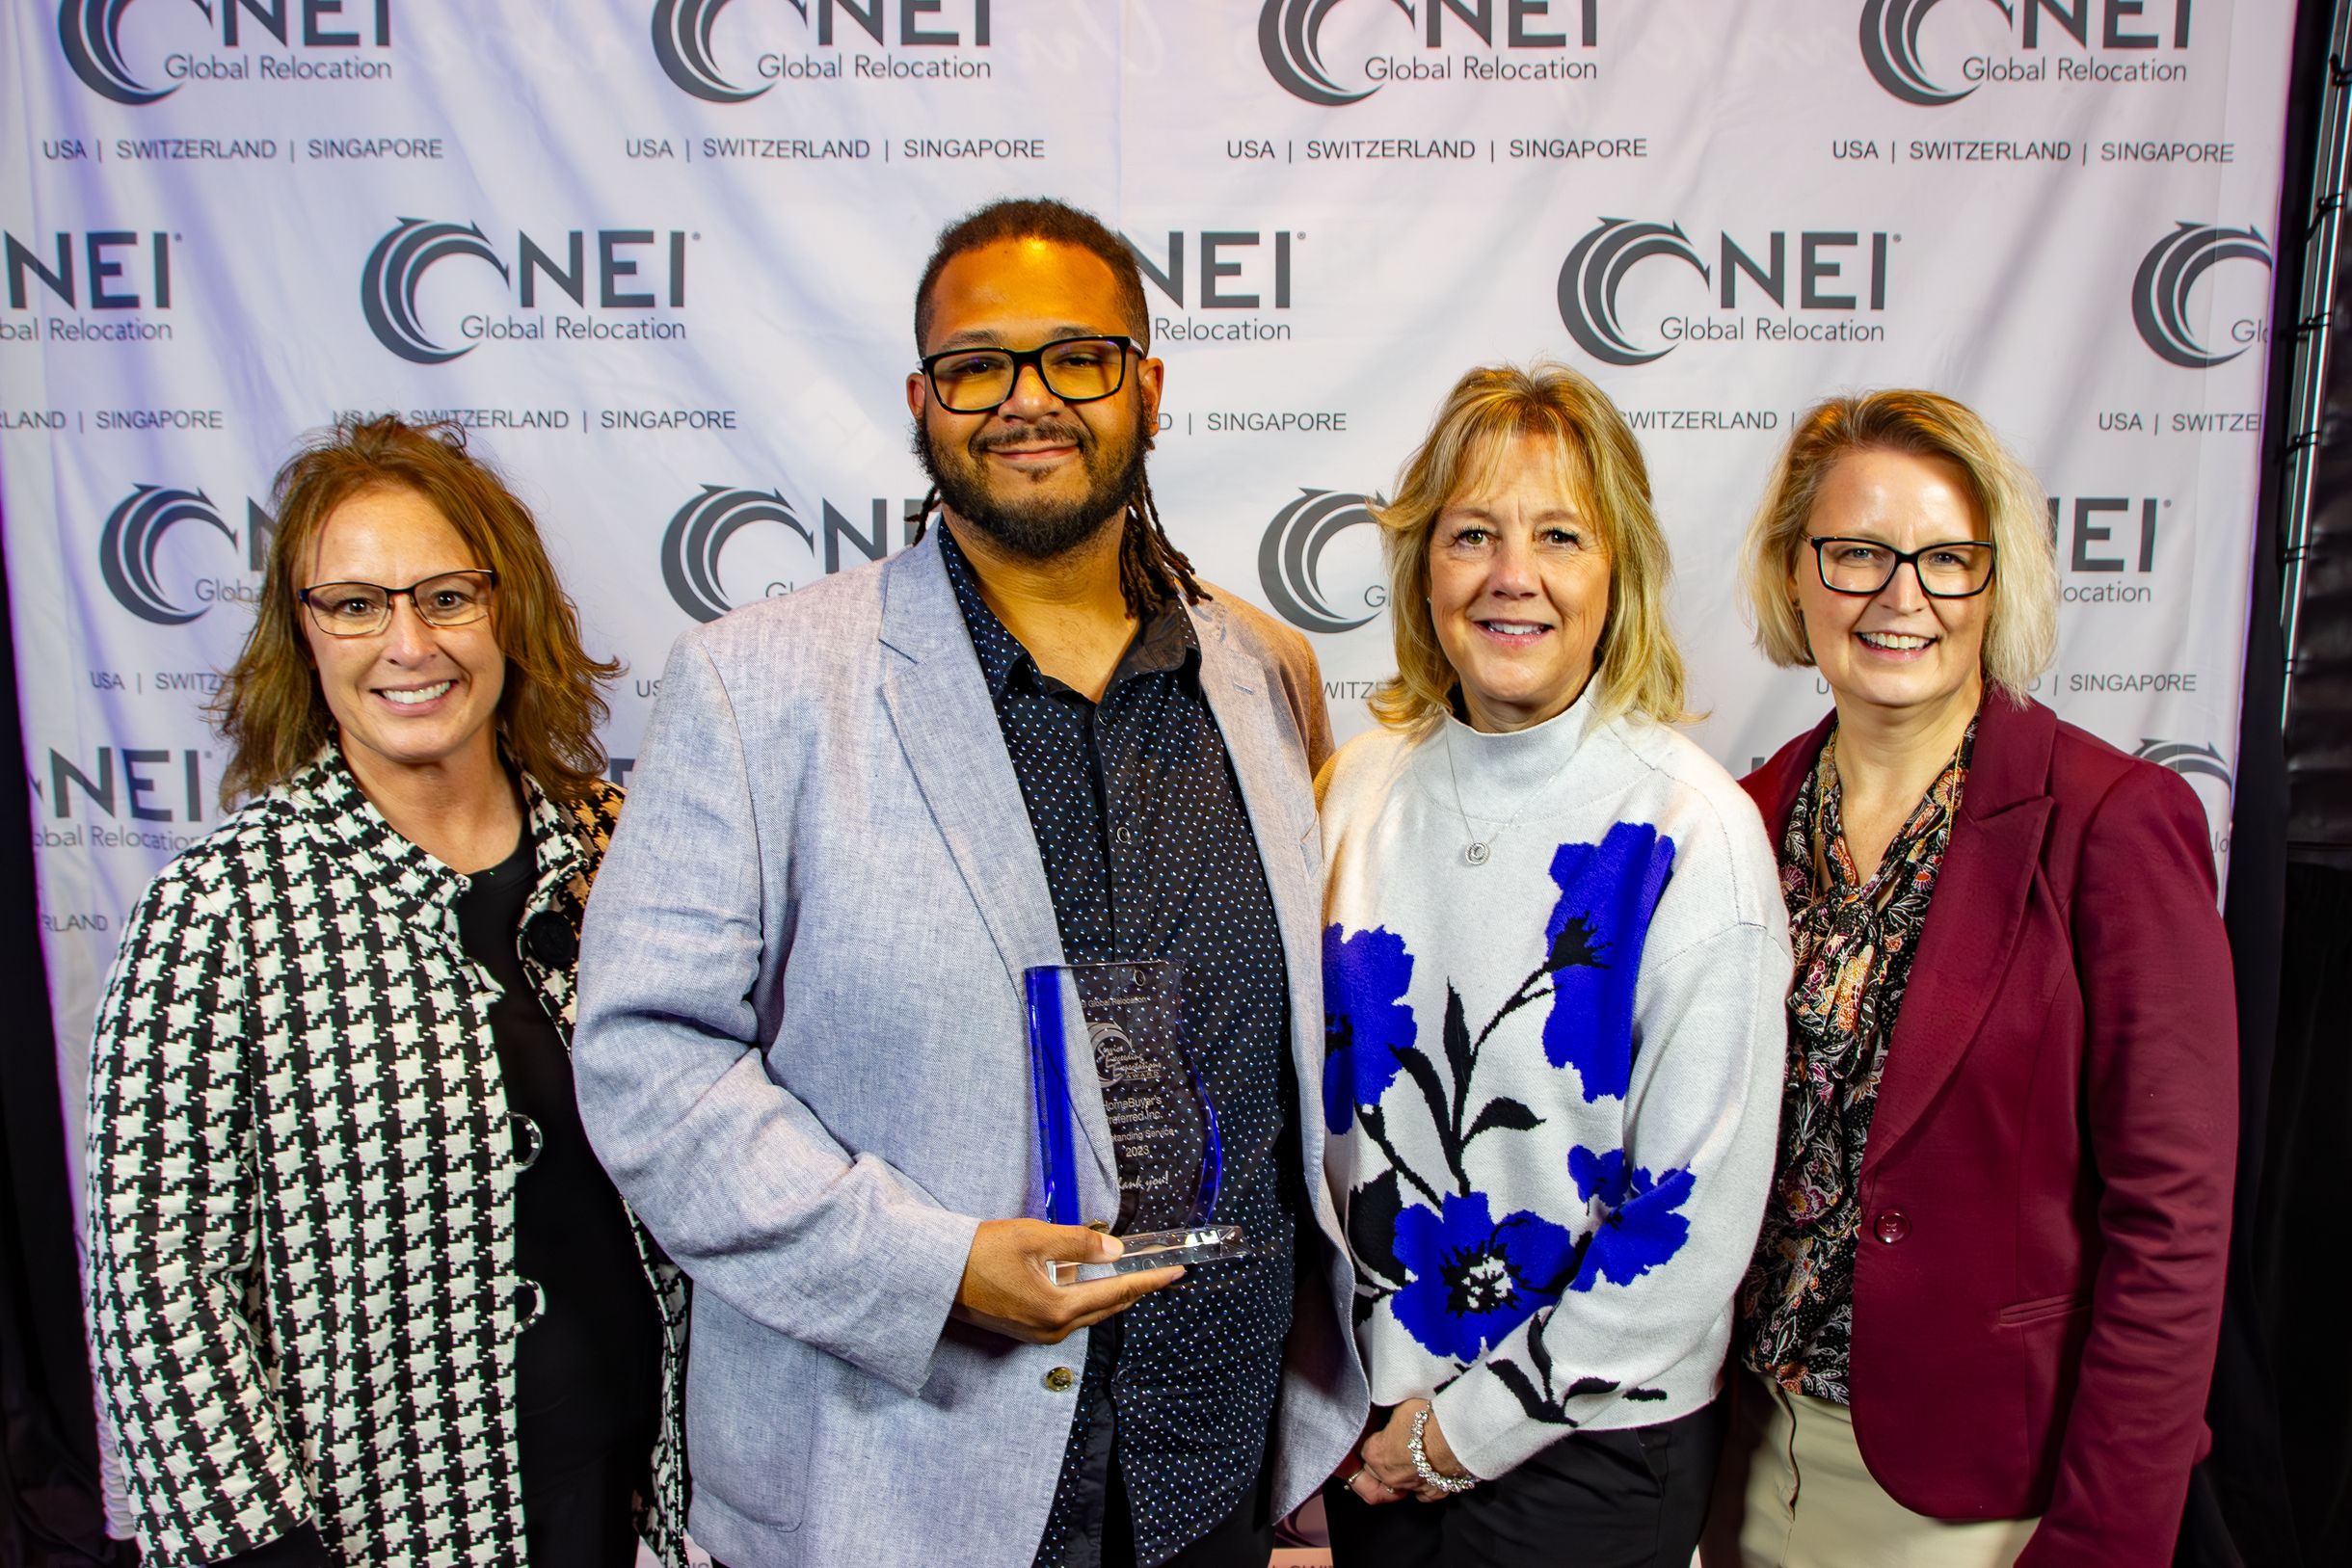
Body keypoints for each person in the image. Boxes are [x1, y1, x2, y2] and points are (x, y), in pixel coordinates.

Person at [570, 197, 1365, 1568]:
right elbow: (648, 1064)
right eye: (978, 364)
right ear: (922, 402)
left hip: (1211, 1467)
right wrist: (926, 1270)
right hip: (902, 1479)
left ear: (1146, 388)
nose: (1026, 399)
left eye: (1077, 357)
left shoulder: (1257, 674)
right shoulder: (760, 683)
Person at [83, 415, 688, 1567]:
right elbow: (159, 1288)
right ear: (302, 631)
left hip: (636, 1500)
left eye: (446, 597)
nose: (409, 643)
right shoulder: (218, 908)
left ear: (508, 608)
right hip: (381, 1528)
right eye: (355, 604)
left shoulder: (623, 848)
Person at [1713, 390, 2236, 1567]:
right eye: (1857, 553)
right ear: (1795, 573)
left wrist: (2103, 1539)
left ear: (1997, 584)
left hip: (1983, 1498)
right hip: (1741, 1460)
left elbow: (2175, 1222)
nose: (1901, 597)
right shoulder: (1740, 819)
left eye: (1946, 559)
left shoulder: (2111, 823)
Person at [1315, 362, 1791, 1567]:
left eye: (1559, 536)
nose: (1510, 574)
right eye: (1471, 533)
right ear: (1423, 567)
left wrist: (1461, 1434)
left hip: (1589, 1443)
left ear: (1616, 571)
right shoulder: (1356, 789)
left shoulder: (1689, 831)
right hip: (1376, 1426)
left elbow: (1690, 1221)